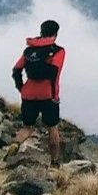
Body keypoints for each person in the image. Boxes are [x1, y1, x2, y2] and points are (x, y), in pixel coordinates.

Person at [11, 19, 67, 162]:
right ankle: (54, 163)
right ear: (55, 34)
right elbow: (55, 75)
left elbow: (16, 70)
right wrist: (55, 95)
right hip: (47, 94)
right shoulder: (58, 51)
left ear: (41, 32)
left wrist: (21, 88)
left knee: (27, 128)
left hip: (28, 93)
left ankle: (15, 143)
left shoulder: (29, 50)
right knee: (52, 129)